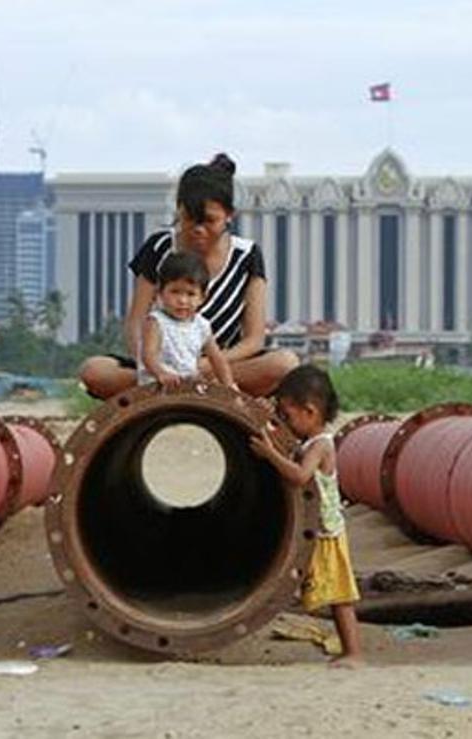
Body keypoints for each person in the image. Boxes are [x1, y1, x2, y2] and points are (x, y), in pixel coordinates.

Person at [79, 153, 298, 398]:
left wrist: (206, 365)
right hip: (159, 367)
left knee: (284, 364)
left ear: (229, 215)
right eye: (189, 220)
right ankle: (170, 386)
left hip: (221, 366)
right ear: (178, 211)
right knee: (94, 371)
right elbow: (136, 323)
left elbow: (254, 339)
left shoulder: (247, 256)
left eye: (209, 222)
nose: (198, 231)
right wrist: (151, 366)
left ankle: (200, 385)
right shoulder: (159, 247)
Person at [250, 365, 363, 668]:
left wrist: (270, 455)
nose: (284, 422)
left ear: (310, 411)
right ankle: (349, 650)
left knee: (340, 596)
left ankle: (354, 653)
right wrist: (267, 419)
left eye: (287, 415)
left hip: (327, 534)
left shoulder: (321, 445)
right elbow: (287, 444)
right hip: (318, 529)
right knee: (323, 588)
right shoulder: (308, 441)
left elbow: (299, 476)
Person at [140, 251, 238, 391]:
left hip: (187, 385)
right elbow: (148, 355)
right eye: (175, 292)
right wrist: (161, 373)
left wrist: (229, 385)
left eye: (191, 294)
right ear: (160, 293)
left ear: (203, 298)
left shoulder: (201, 325)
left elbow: (217, 359)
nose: (182, 300)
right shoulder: (156, 322)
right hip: (158, 386)